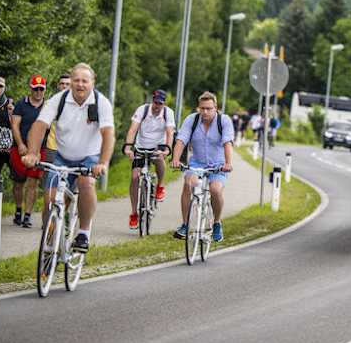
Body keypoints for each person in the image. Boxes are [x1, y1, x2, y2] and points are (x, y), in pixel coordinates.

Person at [22, 62, 115, 253]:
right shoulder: (59, 100)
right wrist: (32, 152)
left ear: (93, 82)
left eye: (85, 81)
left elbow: (108, 134)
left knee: (86, 183)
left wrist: (103, 163)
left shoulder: (101, 102)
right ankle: (50, 242)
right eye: (76, 80)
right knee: (50, 200)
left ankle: (83, 233)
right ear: (71, 81)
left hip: (89, 156)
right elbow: (39, 126)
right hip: (62, 157)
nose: (80, 84)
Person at [170, 91, 234, 242]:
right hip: (197, 163)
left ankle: (216, 223)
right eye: (202, 108)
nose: (205, 112)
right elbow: (181, 140)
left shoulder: (224, 121)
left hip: (218, 165)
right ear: (198, 108)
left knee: (215, 190)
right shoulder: (192, 120)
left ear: (215, 108)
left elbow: (227, 143)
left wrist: (228, 163)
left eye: (208, 108)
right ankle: (185, 225)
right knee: (188, 184)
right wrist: (175, 159)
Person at [123, 89, 175, 230]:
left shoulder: (168, 113)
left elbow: (170, 133)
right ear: (152, 100)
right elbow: (133, 130)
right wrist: (128, 147)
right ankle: (134, 213)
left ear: (164, 104)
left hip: (158, 146)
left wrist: (167, 150)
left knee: (159, 160)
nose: (157, 106)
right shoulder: (143, 110)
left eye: (160, 103)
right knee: (135, 177)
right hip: (141, 146)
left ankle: (160, 186)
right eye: (156, 102)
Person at [9, 75, 47, 228]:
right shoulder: (21, 104)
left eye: (41, 89)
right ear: (31, 89)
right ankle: (18, 210)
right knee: (18, 182)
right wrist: (20, 144)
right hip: (21, 147)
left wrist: (38, 149)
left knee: (33, 182)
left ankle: (27, 215)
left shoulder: (47, 107)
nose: (38, 92)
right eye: (35, 89)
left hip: (39, 149)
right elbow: (14, 125)